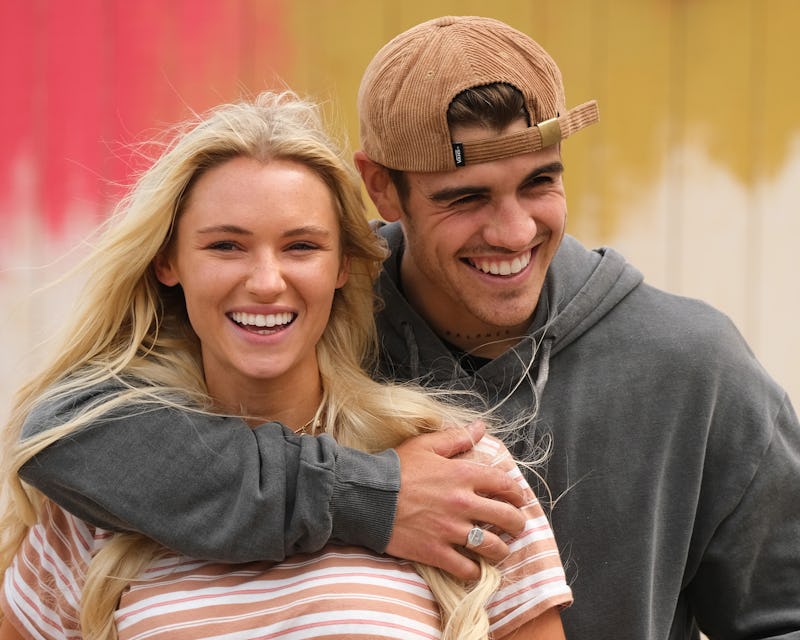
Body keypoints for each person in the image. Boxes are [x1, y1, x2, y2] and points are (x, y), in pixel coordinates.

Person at [8, 14, 800, 640]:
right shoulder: (301, 318)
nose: (516, 230)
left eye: (540, 183)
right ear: (383, 190)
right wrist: (376, 497)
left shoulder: (694, 365)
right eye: (465, 197)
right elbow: (71, 430)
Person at [0, 91, 572, 638]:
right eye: (226, 246)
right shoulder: (102, 489)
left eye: (301, 247)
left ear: (344, 264)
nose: (267, 283)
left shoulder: (457, 474)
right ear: (167, 262)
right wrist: (370, 495)